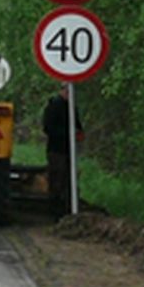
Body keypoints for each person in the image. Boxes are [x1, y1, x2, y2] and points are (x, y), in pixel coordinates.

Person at [42, 84, 85, 218]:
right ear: (62, 90)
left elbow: (78, 125)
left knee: (69, 181)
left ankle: (69, 209)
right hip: (56, 150)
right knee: (57, 181)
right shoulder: (53, 106)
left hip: (70, 151)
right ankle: (55, 212)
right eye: (67, 91)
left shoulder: (72, 108)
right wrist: (68, 134)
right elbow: (48, 128)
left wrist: (79, 133)